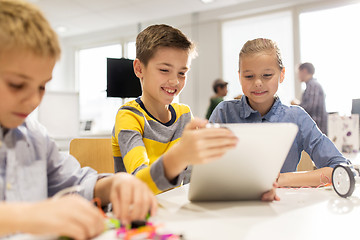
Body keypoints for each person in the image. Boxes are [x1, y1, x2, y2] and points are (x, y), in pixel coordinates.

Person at [0, 0, 157, 238]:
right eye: (17, 85)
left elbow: (74, 182)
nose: (33, 100)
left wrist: (115, 185)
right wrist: (23, 217)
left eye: (42, 86)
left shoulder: (35, 136)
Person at [112, 25, 278, 201]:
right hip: (137, 213)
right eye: (164, 70)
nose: (175, 81)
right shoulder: (128, 116)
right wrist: (179, 156)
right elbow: (140, 183)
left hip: (175, 208)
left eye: (182, 72)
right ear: (139, 69)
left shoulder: (184, 113)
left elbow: (196, 179)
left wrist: (249, 189)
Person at [209, 38, 350, 188]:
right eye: (249, 76)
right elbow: (203, 169)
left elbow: (341, 168)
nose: (257, 82)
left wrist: (280, 179)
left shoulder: (296, 117)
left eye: (267, 75)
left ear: (282, 74)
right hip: (230, 204)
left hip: (283, 205)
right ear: (239, 76)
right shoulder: (224, 113)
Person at [292, 63, 328, 135]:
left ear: (304, 71)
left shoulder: (313, 85)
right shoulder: (313, 85)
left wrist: (296, 106)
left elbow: (310, 106)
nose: (297, 76)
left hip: (317, 128)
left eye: (298, 73)